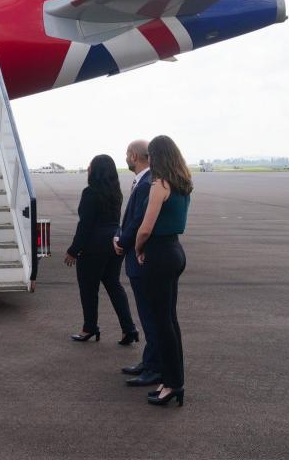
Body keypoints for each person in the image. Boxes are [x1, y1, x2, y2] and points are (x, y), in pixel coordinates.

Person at [136, 134, 192, 407]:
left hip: (158, 253)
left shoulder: (159, 185)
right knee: (170, 320)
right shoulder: (183, 183)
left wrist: (137, 248)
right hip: (175, 251)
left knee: (162, 323)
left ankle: (172, 384)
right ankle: (173, 379)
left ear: (157, 156)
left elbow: (146, 227)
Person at [64, 154, 137, 344]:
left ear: (95, 171)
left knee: (89, 289)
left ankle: (89, 328)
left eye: (90, 165)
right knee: (114, 285)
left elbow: (85, 225)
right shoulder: (116, 193)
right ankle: (129, 329)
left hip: (94, 247)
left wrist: (73, 250)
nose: (87, 167)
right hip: (114, 242)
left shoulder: (90, 193)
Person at [115, 139, 162, 388]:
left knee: (148, 314)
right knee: (147, 315)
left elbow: (137, 221)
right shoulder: (145, 181)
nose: (125, 157)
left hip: (141, 257)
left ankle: (154, 367)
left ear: (134, 156)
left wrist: (122, 241)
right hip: (140, 255)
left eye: (126, 153)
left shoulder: (146, 183)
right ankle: (149, 360)